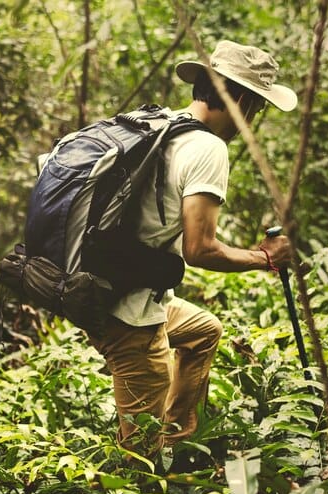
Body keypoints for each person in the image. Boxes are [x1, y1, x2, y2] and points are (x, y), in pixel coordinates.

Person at [88, 40, 296, 465]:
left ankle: (176, 440)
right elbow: (199, 250)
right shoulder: (208, 148)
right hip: (128, 313)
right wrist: (266, 258)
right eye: (255, 107)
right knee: (137, 464)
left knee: (204, 330)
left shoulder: (160, 125)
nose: (252, 120)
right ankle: (148, 481)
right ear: (239, 99)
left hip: (96, 283)